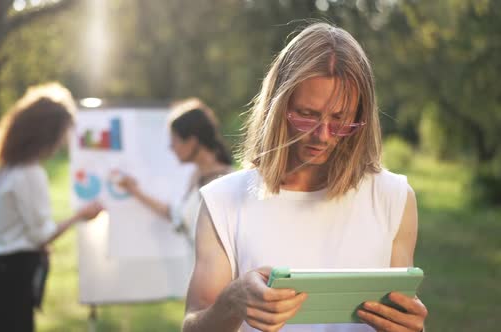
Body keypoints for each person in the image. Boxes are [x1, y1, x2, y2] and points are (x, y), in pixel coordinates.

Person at [182, 23, 428, 332]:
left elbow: (399, 315)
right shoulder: (223, 202)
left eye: (340, 119)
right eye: (307, 115)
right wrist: (233, 300)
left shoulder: (393, 198)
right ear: (277, 105)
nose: (323, 135)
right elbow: (193, 327)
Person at [0, 83, 103, 332]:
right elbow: (40, 235)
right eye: (60, 135)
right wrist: (80, 215)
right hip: (15, 274)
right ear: (45, 133)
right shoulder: (29, 173)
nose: (60, 143)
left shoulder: (8, 168)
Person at [117, 98, 234, 245]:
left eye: (175, 140)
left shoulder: (226, 181)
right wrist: (134, 190)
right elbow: (175, 214)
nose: (171, 147)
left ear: (192, 141)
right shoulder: (196, 175)